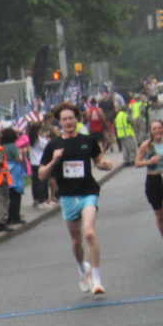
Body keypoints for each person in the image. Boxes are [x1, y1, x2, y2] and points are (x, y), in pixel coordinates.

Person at [38, 102, 113, 295]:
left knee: (89, 233)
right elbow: (41, 175)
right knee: (77, 240)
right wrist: (54, 160)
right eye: (64, 119)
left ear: (77, 119)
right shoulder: (53, 145)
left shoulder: (88, 140)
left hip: (88, 191)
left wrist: (104, 165)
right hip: (68, 195)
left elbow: (98, 161)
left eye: (71, 118)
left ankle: (97, 280)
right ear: (59, 122)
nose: (68, 122)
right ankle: (82, 269)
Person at [134, 118, 163, 240]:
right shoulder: (146, 145)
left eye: (159, 128)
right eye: (154, 129)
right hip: (153, 180)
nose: (157, 131)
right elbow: (137, 163)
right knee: (160, 215)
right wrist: (149, 161)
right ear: (150, 131)